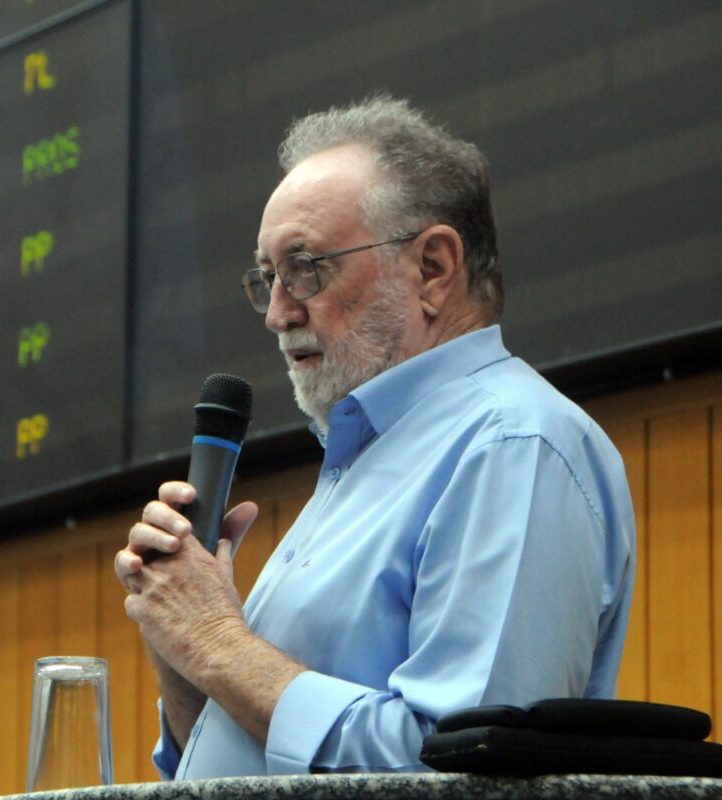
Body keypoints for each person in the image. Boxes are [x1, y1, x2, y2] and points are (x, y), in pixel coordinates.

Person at [114, 94, 635, 776]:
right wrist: (181, 646)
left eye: (306, 267)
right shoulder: (363, 459)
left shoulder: (513, 445)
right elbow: (245, 757)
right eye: (267, 277)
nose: (276, 313)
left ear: (433, 268)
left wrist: (216, 639)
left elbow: (467, 771)